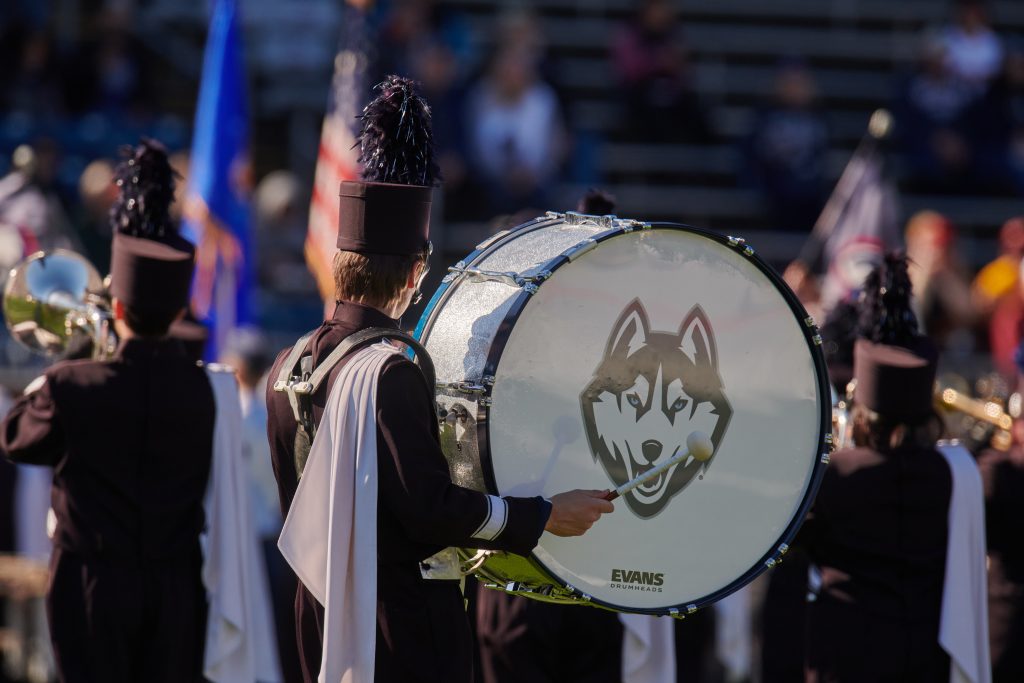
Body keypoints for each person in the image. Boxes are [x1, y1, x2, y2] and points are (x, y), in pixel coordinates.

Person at [266, 76, 612, 683]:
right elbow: (428, 510)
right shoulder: (387, 371)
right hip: (394, 622)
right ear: (416, 272)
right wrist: (542, 515)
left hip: (315, 609)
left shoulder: (287, 364)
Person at [0, 140, 277, 683]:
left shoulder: (70, 385)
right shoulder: (209, 392)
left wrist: (77, 351)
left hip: (91, 587)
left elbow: (16, 437)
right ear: (178, 310)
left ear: (116, 306)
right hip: (176, 587)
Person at [799, 254, 990, 682]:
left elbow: (791, 543)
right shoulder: (956, 472)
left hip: (844, 659)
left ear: (862, 407)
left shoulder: (835, 474)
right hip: (926, 660)